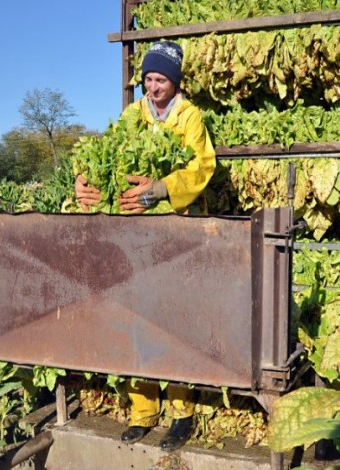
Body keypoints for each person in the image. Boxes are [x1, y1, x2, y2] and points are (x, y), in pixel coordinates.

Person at [74, 41, 216, 452]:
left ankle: (182, 413)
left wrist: (162, 189)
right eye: (148, 80)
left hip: (174, 233)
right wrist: (85, 178)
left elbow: (203, 166)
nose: (151, 88)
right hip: (132, 235)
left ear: (175, 82)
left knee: (171, 321)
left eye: (160, 80)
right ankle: (143, 412)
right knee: (134, 316)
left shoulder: (190, 118)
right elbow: (106, 150)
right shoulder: (132, 116)